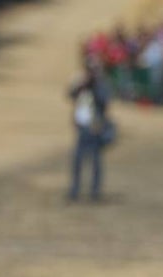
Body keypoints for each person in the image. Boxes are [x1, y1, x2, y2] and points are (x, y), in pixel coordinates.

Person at [68, 56, 113, 201]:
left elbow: (105, 102)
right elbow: (70, 94)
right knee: (77, 160)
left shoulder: (102, 84)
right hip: (82, 125)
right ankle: (74, 190)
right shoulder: (81, 82)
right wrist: (82, 85)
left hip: (95, 126)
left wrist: (94, 87)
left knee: (95, 161)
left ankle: (95, 191)